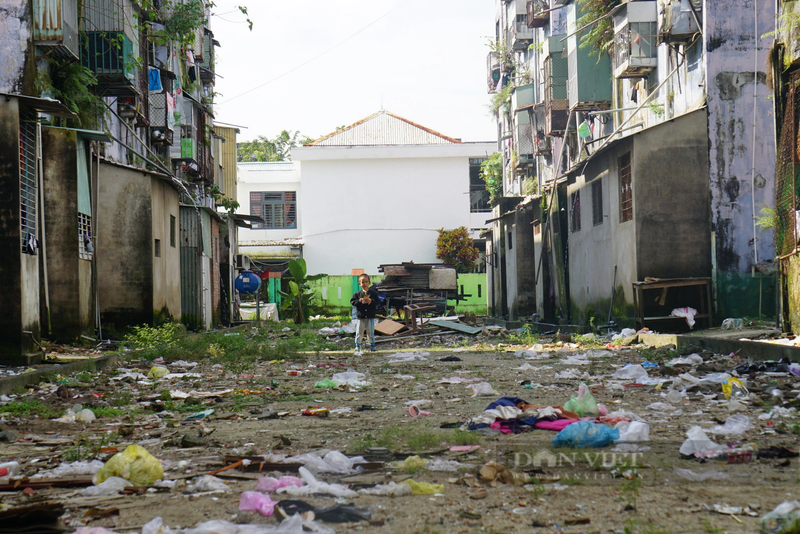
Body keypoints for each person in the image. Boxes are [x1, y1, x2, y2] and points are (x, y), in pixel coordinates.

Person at [350, 273, 379, 354]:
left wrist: (371, 301)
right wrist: (359, 301)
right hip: (361, 316)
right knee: (359, 331)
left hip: (370, 316)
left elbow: (377, 301)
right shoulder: (357, 294)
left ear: (369, 283)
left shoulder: (373, 293)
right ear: (359, 283)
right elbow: (352, 302)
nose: (364, 284)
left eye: (366, 282)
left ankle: (372, 345)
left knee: (370, 331)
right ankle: (357, 345)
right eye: (362, 282)